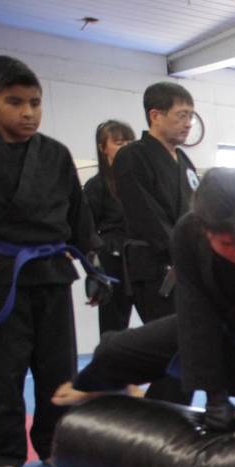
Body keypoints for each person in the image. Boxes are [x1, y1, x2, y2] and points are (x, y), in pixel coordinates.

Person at [54, 168, 235, 425]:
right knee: (112, 352)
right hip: (216, 325)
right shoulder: (188, 232)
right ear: (205, 230)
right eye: (227, 244)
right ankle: (101, 389)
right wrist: (215, 397)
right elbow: (196, 315)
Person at [0, 56, 105, 467]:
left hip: (53, 271)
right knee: (3, 367)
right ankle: (2, 450)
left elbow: (78, 216)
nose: (28, 112)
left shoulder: (56, 154)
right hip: (2, 274)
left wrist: (93, 267)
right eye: (15, 102)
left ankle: (57, 443)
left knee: (58, 366)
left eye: (35, 103)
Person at [112, 81, 198, 322]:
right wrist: (183, 252)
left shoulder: (184, 161)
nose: (188, 123)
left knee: (194, 335)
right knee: (168, 337)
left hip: (187, 263)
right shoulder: (132, 156)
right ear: (155, 116)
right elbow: (146, 216)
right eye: (181, 115)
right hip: (154, 267)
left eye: (191, 116)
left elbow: (198, 211)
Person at [84, 119, 136, 334]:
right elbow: (86, 231)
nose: (126, 148)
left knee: (160, 319)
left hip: (141, 258)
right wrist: (95, 271)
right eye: (119, 143)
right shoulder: (96, 186)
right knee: (113, 326)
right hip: (112, 260)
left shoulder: (141, 182)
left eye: (129, 142)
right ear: (103, 148)